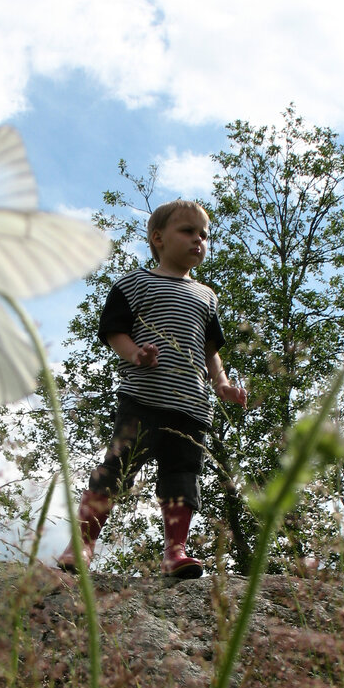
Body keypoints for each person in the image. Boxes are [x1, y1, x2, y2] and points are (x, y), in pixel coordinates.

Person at [56, 199, 247, 578]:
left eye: (204, 235)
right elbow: (114, 330)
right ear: (158, 238)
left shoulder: (207, 297)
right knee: (116, 469)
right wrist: (135, 355)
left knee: (182, 477)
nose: (199, 241)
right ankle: (83, 544)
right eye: (188, 231)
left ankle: (176, 551)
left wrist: (222, 384)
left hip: (192, 406)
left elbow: (211, 352)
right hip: (143, 397)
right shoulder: (136, 283)